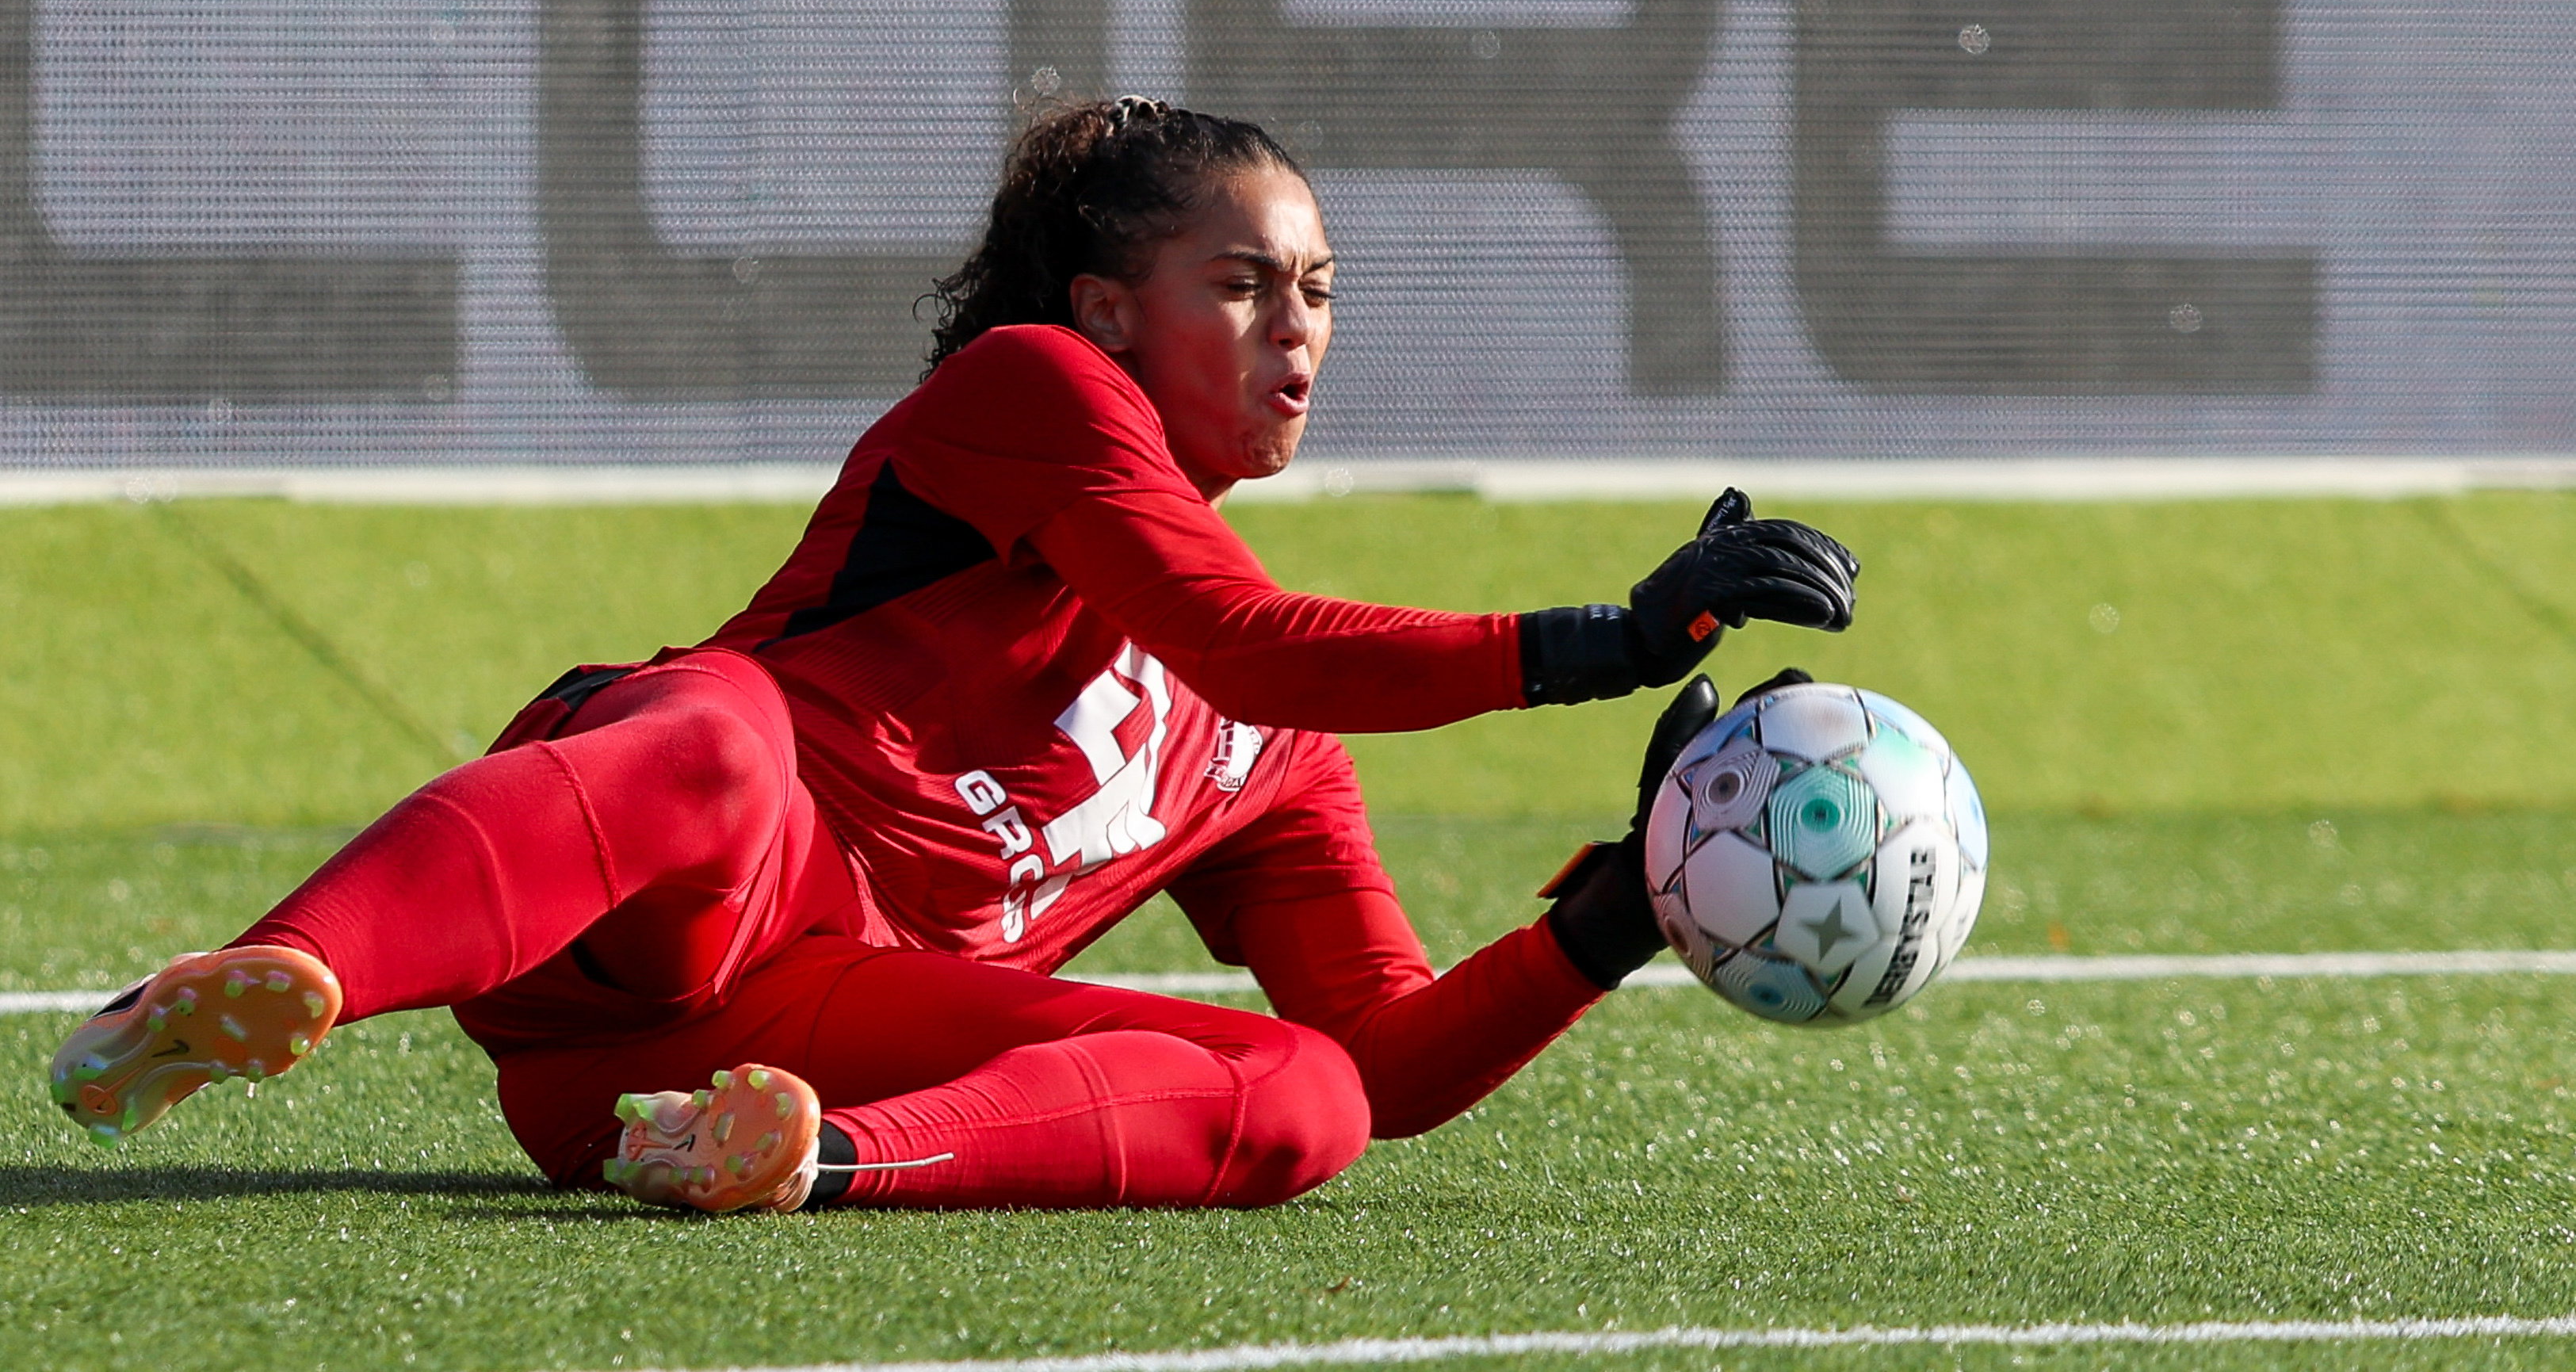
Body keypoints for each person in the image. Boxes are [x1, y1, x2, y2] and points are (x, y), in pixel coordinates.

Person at [48, 97, 1859, 1214]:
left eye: (1315, 289)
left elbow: (1382, 1056)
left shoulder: (1274, 762)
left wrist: (1608, 917)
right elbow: (1236, 632)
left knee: (1297, 1101)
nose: (1291, 330)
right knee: (726, 736)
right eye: (1237, 283)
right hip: (652, 885)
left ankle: (795, 1160)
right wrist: (1600, 642)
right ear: (1101, 308)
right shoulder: (1034, 389)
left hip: (704, 1062)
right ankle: (267, 975)